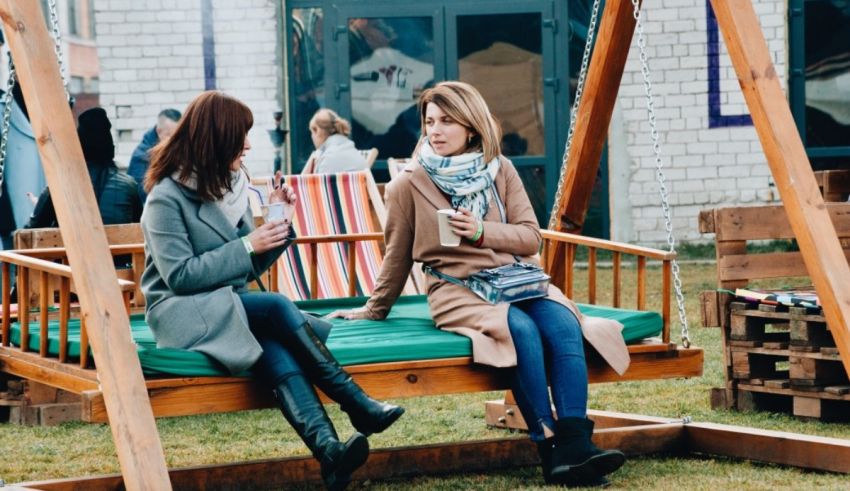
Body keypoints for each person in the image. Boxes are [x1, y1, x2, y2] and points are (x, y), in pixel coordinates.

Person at [328, 81, 627, 487]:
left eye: (447, 120)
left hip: (514, 279)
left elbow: (529, 237)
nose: (435, 129)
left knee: (562, 322)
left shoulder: (500, 169)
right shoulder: (407, 184)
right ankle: (549, 447)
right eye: (430, 121)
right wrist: (373, 308)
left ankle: (575, 443)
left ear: (471, 126)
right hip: (457, 289)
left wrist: (482, 231)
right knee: (517, 329)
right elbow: (396, 256)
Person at [141, 91, 403, 491]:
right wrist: (249, 244)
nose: (248, 145)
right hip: (180, 310)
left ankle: (330, 452)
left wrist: (278, 225)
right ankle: (356, 403)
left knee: (275, 348)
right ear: (215, 138)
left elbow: (248, 264)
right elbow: (180, 276)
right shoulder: (165, 198)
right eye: (240, 136)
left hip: (230, 304)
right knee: (277, 306)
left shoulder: (229, 187)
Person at [25, 107, 142, 229]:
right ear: (109, 146)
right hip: (118, 248)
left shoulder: (59, 186)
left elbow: (33, 229)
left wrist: (41, 204)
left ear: (79, 146)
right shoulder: (128, 186)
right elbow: (139, 226)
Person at [128, 108, 181, 202]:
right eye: (170, 136)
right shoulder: (142, 156)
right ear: (159, 131)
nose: (175, 142)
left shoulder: (177, 148)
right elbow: (142, 194)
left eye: (177, 136)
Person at [301, 108, 368, 174]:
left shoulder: (326, 159)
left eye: (311, 132)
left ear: (317, 131)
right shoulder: (354, 152)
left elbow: (319, 184)